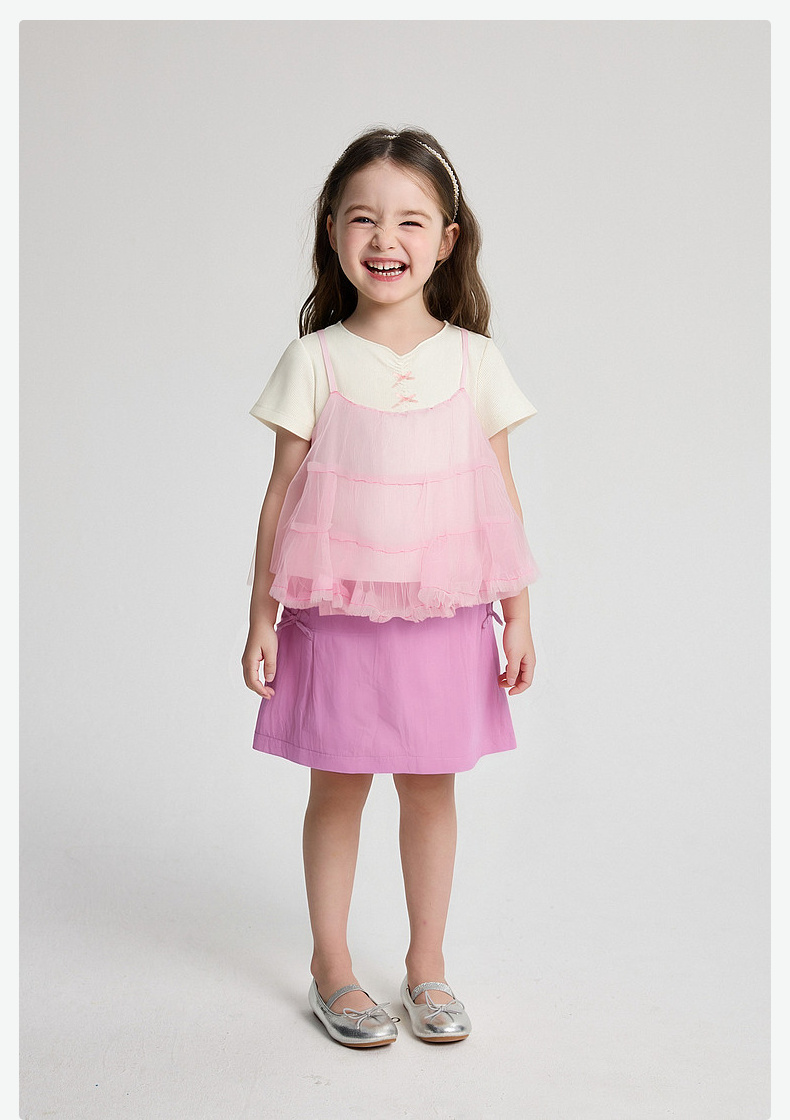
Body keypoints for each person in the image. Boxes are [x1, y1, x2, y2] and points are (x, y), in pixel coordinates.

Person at [241, 126, 540, 1048]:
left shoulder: (475, 359)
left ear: (446, 239)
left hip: (445, 614)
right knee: (338, 786)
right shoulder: (316, 358)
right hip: (334, 615)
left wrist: (520, 614)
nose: (385, 238)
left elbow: (499, 493)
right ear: (332, 231)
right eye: (363, 217)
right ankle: (332, 966)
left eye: (411, 220)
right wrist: (260, 617)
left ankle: (426, 966)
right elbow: (281, 494)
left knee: (430, 788)